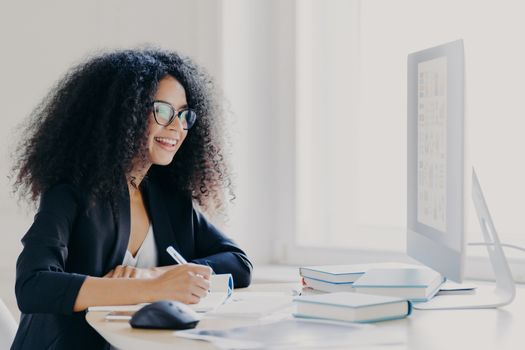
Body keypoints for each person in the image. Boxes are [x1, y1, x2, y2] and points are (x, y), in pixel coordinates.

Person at [10, 48, 252, 349]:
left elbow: (238, 264)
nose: (177, 127)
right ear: (124, 113)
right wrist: (149, 288)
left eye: (184, 115)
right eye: (162, 111)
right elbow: (33, 286)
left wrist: (154, 273)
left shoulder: (168, 198)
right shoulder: (70, 191)